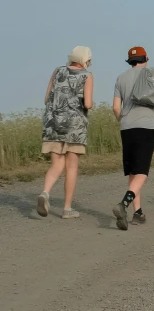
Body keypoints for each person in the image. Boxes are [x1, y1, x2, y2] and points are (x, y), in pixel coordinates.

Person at [37, 46, 94, 219]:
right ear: (85, 60)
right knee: (71, 167)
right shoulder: (87, 76)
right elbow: (88, 104)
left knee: (56, 164)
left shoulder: (57, 71)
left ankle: (45, 193)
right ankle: (67, 209)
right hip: (74, 127)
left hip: (53, 123)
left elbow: (47, 98)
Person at [111, 46, 154, 230]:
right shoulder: (150, 75)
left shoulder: (120, 78)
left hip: (126, 128)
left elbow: (116, 107)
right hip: (145, 126)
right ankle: (124, 204)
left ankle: (137, 213)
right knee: (142, 171)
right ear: (145, 58)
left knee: (132, 171)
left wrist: (122, 121)